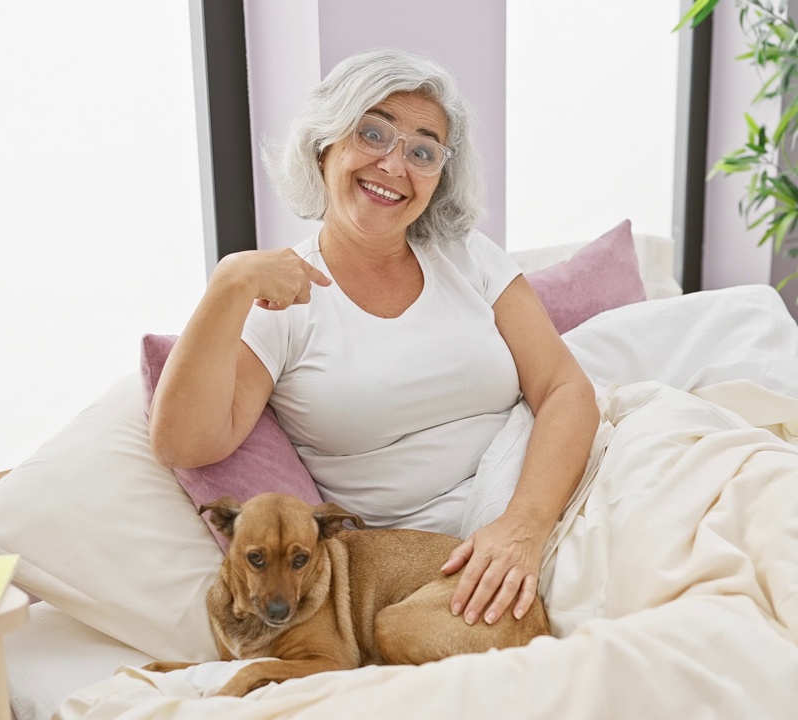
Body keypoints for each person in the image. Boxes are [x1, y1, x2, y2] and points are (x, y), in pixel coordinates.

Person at [150, 48, 599, 629]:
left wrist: (524, 524)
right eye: (372, 132)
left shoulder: (467, 257)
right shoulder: (281, 300)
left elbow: (564, 388)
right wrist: (228, 283)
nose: (393, 165)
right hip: (431, 567)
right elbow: (184, 445)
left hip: (552, 499)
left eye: (422, 150)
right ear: (324, 145)